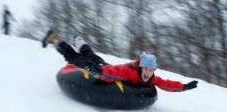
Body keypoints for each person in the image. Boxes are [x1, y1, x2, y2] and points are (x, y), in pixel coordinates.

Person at [41, 30, 198, 92]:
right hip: (106, 69)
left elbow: (165, 83)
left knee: (90, 54)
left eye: (151, 70)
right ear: (141, 67)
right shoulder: (130, 73)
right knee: (77, 59)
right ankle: (55, 40)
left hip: (108, 66)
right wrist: (99, 71)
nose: (148, 73)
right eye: (146, 69)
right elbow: (114, 74)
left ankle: (79, 40)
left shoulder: (151, 78)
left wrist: (183, 86)